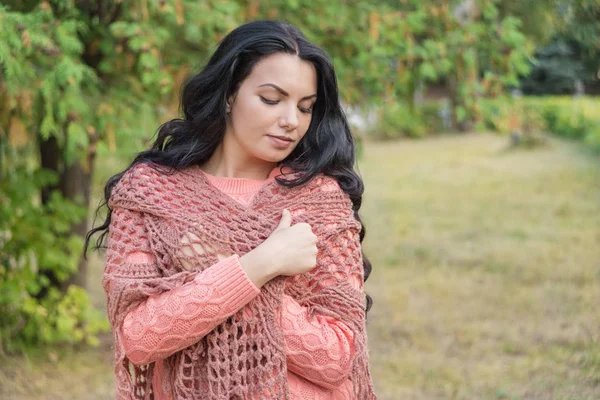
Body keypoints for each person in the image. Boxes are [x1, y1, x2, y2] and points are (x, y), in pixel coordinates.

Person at [86, 20, 376, 400]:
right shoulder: (152, 194)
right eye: (272, 99)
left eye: (305, 107)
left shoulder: (321, 201)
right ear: (229, 94)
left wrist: (210, 270)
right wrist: (261, 264)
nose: (291, 121)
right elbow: (138, 337)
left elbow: (336, 356)